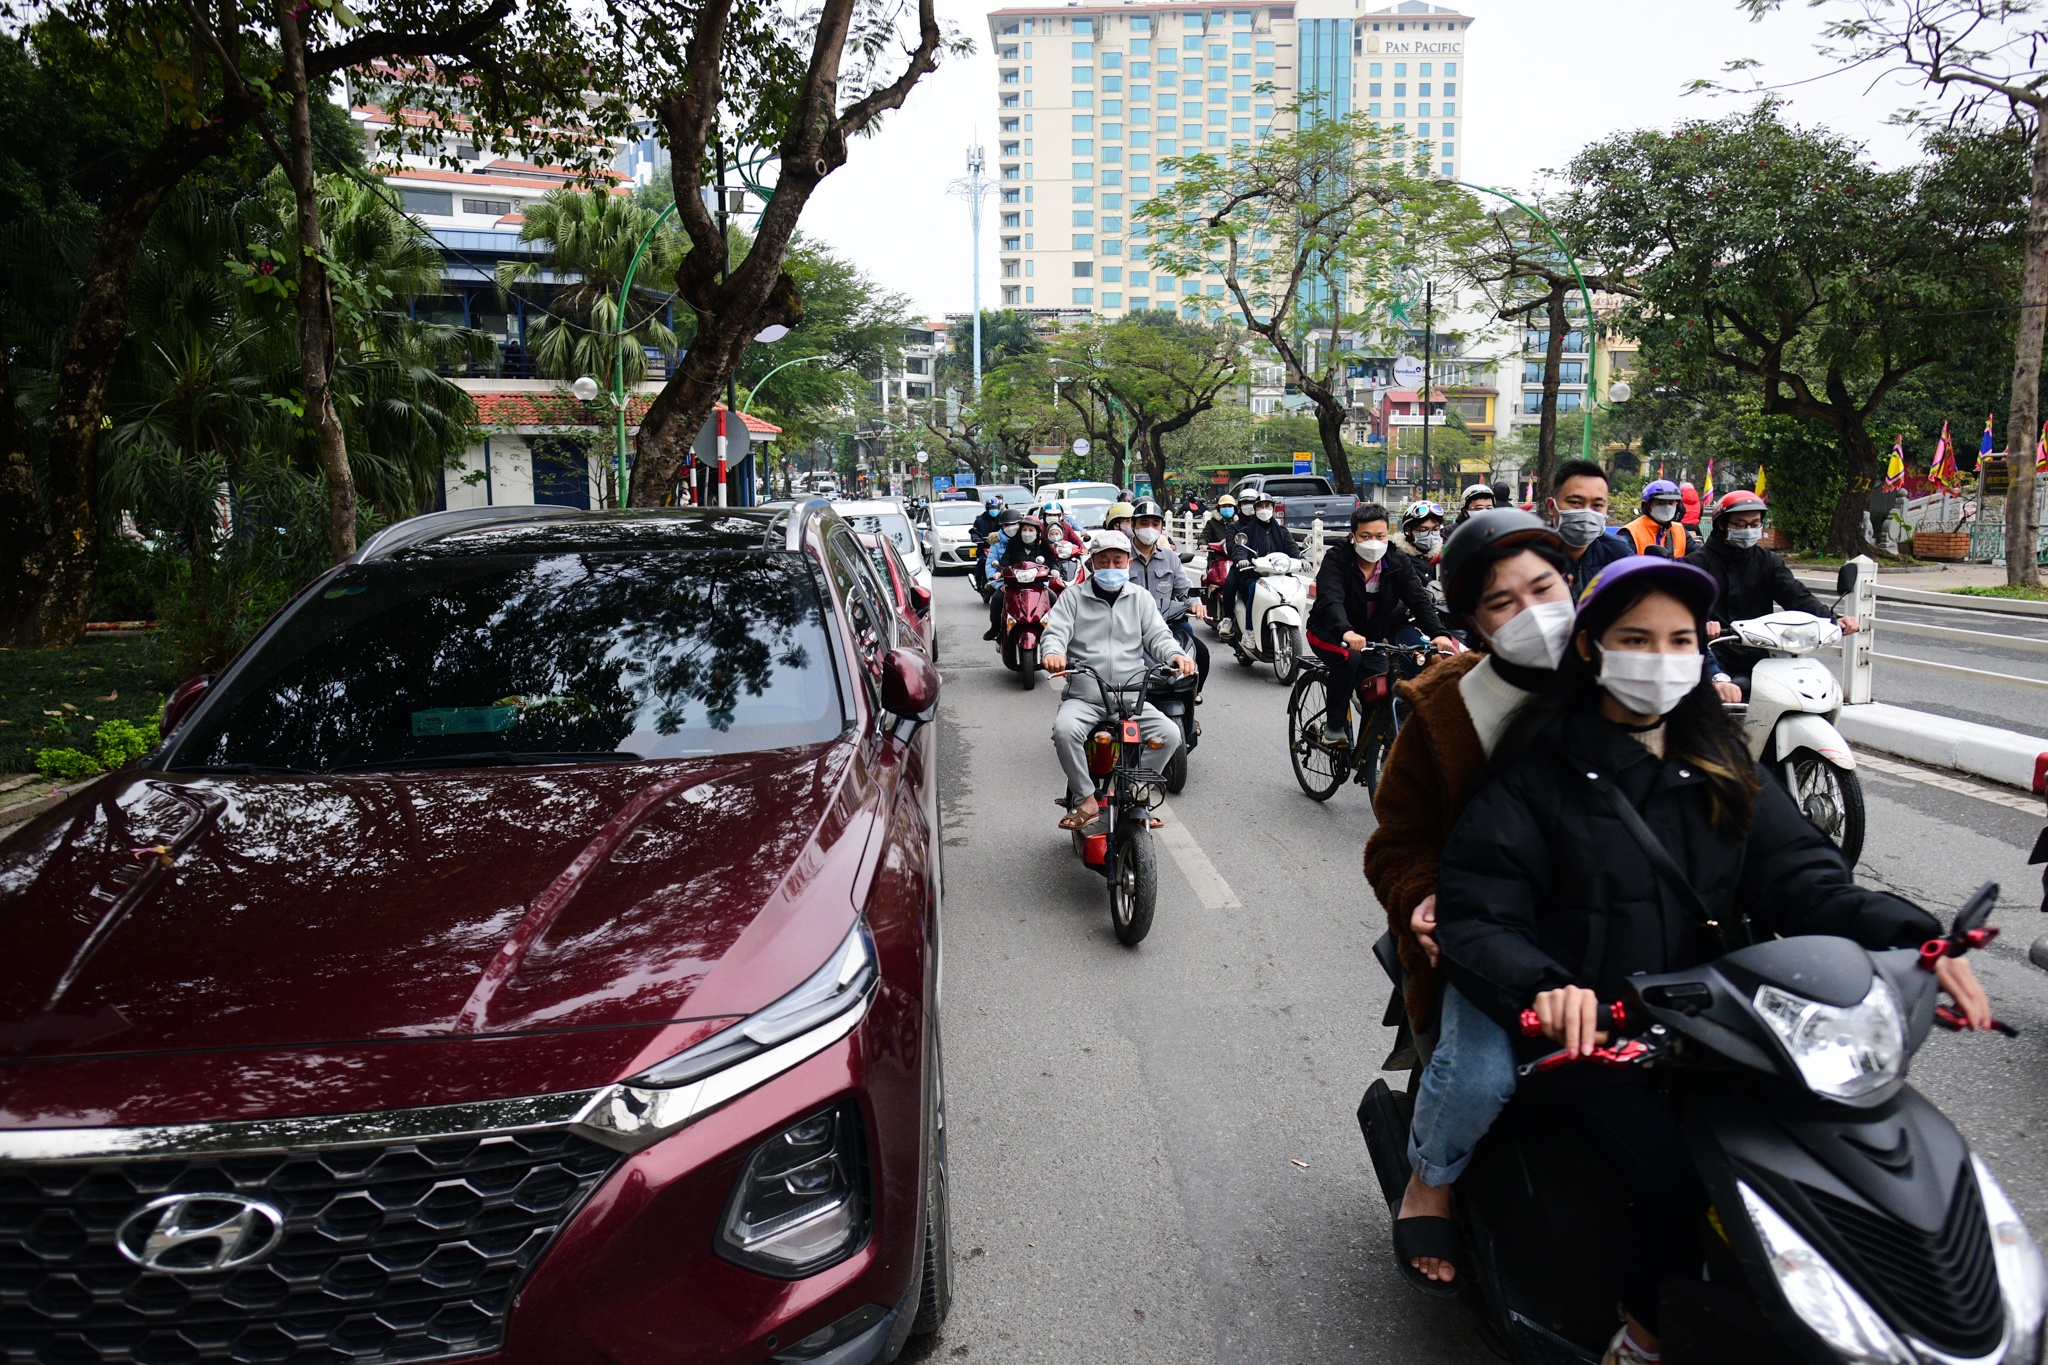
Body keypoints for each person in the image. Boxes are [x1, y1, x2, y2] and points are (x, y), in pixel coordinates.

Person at [1432, 556, 1989, 1365]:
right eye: (1636, 638)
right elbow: (1481, 916)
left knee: (1837, 1145)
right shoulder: (1536, 773)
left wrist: (1917, 938)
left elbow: (1806, 878)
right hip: (1596, 1038)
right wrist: (1550, 986)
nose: (1660, 657)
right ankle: (1643, 1335)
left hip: (1727, 1023)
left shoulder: (1725, 761)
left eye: (1679, 639)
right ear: (1591, 647)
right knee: (1671, 1175)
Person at [1361, 509, 1577, 1290]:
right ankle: (1433, 1177)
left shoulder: (1623, 673)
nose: (1532, 614)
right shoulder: (1443, 708)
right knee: (1479, 1073)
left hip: (1616, 933)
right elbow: (1397, 841)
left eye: (1544, 589)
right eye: (1502, 602)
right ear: (1473, 622)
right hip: (1486, 940)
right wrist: (1422, 898)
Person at [1041, 531, 1197, 829]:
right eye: (1104, 561)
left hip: (1131, 698)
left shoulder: (1140, 598)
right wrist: (1053, 653)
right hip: (1086, 697)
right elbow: (1055, 633)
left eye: (1118, 561)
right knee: (1064, 730)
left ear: (1127, 563)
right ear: (1092, 564)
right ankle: (1085, 798)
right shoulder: (1073, 597)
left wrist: (1176, 656)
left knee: (1170, 734)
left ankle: (1135, 791)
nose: (1111, 568)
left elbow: (1158, 636)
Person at [1304, 504, 1456, 747]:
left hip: (1370, 637)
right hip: (1328, 631)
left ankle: (1367, 749)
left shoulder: (1397, 561)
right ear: (1352, 536)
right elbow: (1331, 600)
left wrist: (1439, 634)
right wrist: (1346, 630)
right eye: (1366, 536)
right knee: (1348, 659)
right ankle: (1333, 727)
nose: (1373, 542)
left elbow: (1417, 599)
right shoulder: (1337, 560)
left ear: (1388, 534)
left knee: (1381, 687)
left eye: (1380, 536)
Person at [1692, 489, 1860, 698]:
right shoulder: (1697, 563)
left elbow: (1795, 595)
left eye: (1754, 524)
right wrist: (1703, 623)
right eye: (1740, 524)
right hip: (1713, 651)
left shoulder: (1768, 561)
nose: (1749, 529)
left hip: (1762, 650)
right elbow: (1686, 608)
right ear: (1721, 525)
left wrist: (1833, 619)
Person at [1128, 497, 1209, 696]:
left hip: (1167, 624)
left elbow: (1184, 589)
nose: (1149, 528)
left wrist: (1195, 604)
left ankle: (1192, 699)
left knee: (1201, 653)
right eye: (1144, 523)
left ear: (1162, 527)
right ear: (1133, 525)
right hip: (1129, 626)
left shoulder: (1170, 557)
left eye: (1155, 524)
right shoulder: (1122, 557)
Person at [1548, 458, 1631, 599]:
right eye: (1575, 502)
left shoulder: (1618, 554)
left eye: (1597, 505)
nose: (1587, 512)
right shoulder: (1532, 556)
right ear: (1551, 507)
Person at [1223, 492, 1300, 635]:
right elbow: (1239, 549)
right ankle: (1250, 632)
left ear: (1273, 508)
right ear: (1255, 509)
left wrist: (1301, 560)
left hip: (1278, 574)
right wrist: (1241, 559)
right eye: (1260, 507)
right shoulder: (1244, 531)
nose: (1264, 510)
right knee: (1252, 589)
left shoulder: (1282, 531)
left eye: (1267, 506)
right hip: (1254, 574)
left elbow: (1292, 547)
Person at [984, 515, 1065, 641]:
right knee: (997, 598)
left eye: (1031, 530)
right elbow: (1005, 560)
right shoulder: (1014, 544)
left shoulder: (1043, 544)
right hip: (1015, 585)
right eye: (1024, 529)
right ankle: (995, 628)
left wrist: (1055, 569)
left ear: (1037, 532)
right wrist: (999, 572)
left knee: (1052, 597)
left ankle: (1057, 630)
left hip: (1038, 585)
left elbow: (1052, 560)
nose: (1027, 533)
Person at [1621, 478, 1689, 558]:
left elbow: (1698, 558)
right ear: (1648, 505)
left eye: (1671, 503)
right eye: (1661, 503)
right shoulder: (1630, 532)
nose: (1667, 507)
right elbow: (1627, 564)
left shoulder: (1679, 530)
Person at [1391, 501, 1447, 582]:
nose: (1430, 535)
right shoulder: (1396, 559)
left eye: (1435, 529)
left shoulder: (1445, 557)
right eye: (1423, 530)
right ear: (1408, 531)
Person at [969, 496, 1006, 589]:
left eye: (996, 508)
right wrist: (976, 537)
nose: (994, 510)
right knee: (982, 561)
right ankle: (978, 581)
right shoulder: (980, 520)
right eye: (991, 508)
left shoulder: (1003, 519)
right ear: (987, 508)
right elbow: (974, 532)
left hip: (1001, 547)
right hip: (984, 547)